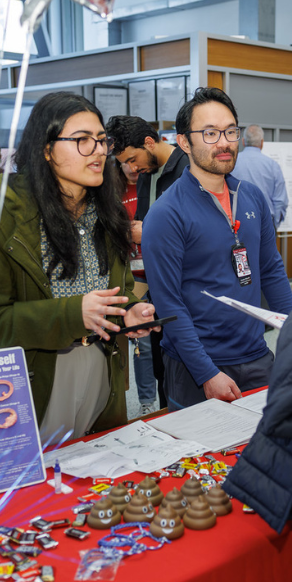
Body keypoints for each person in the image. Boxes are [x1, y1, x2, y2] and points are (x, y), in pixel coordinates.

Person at [0, 92, 159, 440]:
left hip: (102, 371)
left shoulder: (107, 209)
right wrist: (71, 314)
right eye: (82, 140)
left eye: (101, 141)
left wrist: (127, 312)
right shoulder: (8, 214)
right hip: (37, 378)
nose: (98, 151)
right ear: (46, 149)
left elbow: (117, 290)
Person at [142, 87, 292, 410]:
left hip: (256, 355)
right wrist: (206, 372)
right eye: (210, 133)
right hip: (196, 366)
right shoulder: (167, 213)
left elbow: (270, 269)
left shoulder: (251, 197)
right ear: (184, 142)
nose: (224, 143)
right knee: (200, 459)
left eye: (229, 131)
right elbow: (168, 303)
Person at [105, 115, 190, 408]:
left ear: (150, 142)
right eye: (124, 163)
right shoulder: (145, 174)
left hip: (185, 289)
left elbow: (197, 231)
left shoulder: (187, 170)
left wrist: (148, 232)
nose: (131, 168)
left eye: (132, 158)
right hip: (155, 284)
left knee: (184, 366)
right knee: (160, 364)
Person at [116, 158, 159, 416]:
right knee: (142, 341)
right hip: (133, 277)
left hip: (157, 270)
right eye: (126, 163)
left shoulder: (150, 184)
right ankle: (146, 400)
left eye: (136, 162)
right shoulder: (112, 193)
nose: (133, 169)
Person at [230, 125, 289, 228]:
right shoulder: (273, 165)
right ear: (262, 143)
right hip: (265, 222)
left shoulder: (231, 162)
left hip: (236, 223)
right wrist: (274, 225)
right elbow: (280, 201)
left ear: (243, 141)